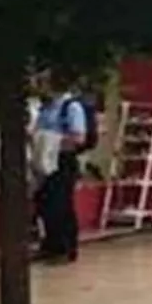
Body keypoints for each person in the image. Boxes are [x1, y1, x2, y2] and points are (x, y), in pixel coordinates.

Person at [34, 79, 87, 264]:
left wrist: (53, 141)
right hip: (43, 160)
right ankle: (51, 244)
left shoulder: (71, 107)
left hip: (63, 160)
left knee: (61, 204)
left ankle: (67, 247)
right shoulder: (44, 108)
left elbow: (79, 138)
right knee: (44, 202)